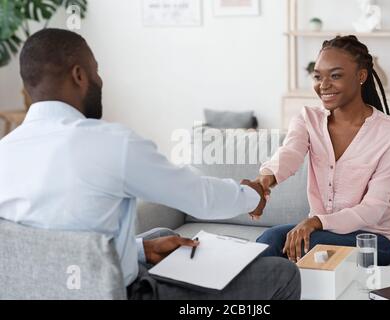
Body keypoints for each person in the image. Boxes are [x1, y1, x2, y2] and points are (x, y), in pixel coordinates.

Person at [0, 28, 300, 300]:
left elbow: (54, 251)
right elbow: (199, 198)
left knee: (157, 236)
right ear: (79, 75)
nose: (100, 80)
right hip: (122, 293)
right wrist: (253, 195)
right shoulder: (111, 143)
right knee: (282, 274)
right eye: (96, 71)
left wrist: (140, 251)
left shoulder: (6, 150)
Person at [254, 35, 390, 266]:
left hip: (375, 239)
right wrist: (263, 182)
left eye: (335, 76)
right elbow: (290, 154)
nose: (323, 85)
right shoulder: (308, 119)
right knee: (270, 240)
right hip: (322, 233)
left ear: (361, 76)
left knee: (288, 242)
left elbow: (374, 208)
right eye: (318, 76)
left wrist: (316, 222)